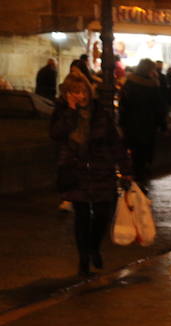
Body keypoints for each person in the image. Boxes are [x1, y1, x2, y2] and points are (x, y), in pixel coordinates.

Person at [49, 71, 132, 277]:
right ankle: (84, 257)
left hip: (101, 168)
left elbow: (114, 141)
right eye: (75, 92)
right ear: (67, 93)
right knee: (82, 216)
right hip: (75, 170)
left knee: (103, 213)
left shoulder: (99, 112)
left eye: (83, 90)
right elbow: (56, 134)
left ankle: (94, 246)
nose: (81, 95)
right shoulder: (62, 111)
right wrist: (70, 111)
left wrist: (125, 168)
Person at [119, 58, 167, 183]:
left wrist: (122, 123)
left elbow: (123, 106)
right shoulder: (152, 85)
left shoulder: (129, 83)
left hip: (131, 125)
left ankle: (135, 178)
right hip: (147, 126)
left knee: (134, 154)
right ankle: (141, 179)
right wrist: (162, 124)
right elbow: (159, 107)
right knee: (143, 155)